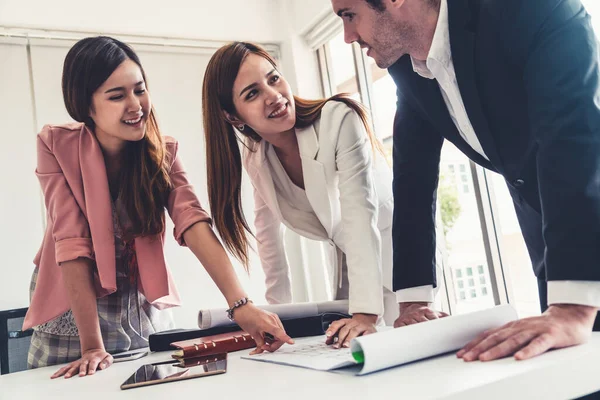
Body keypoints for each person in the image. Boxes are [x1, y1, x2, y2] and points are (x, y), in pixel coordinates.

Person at [331, 0, 600, 361]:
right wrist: (413, 302)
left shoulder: (528, 9)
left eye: (349, 15)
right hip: (555, 241)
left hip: (585, 217)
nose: (348, 36)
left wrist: (573, 307)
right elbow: (411, 178)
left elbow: (573, 136)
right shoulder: (408, 70)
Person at [23, 36, 292, 378]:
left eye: (139, 89)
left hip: (137, 305)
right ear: (85, 105)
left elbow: (193, 223)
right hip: (76, 309)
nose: (135, 105)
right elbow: (71, 241)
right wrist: (92, 345)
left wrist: (242, 305)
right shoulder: (55, 145)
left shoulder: (162, 152)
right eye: (117, 96)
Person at [202, 41, 397, 348]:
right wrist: (275, 320)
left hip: (397, 257)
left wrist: (365, 314)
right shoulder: (257, 161)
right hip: (351, 268)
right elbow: (269, 242)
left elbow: (359, 214)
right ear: (233, 117)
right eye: (252, 93)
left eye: (273, 78)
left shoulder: (338, 120)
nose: (274, 96)